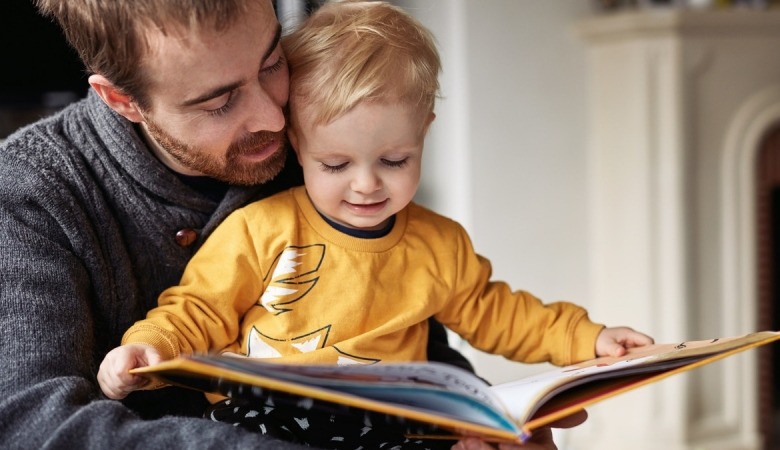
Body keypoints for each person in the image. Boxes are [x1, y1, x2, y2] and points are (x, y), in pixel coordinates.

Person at [97, 1, 654, 449]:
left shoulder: (440, 244)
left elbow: (497, 311)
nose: (367, 185)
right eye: (335, 165)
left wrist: (590, 339)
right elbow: (199, 309)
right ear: (297, 144)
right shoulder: (261, 228)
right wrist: (151, 348)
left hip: (393, 418)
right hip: (269, 415)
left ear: (424, 133)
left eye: (395, 161)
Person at [0, 0, 486, 449]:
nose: (275, 117)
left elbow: (411, 329)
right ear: (122, 99)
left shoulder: (327, 146)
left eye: (272, 62)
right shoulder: (30, 192)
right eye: (219, 102)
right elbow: (33, 424)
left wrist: (482, 423)